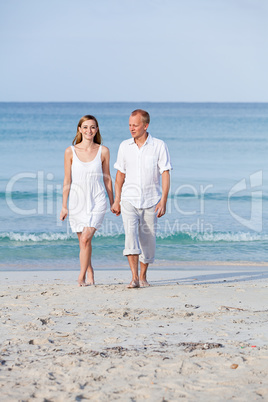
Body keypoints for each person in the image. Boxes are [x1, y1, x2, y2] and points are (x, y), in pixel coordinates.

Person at [111, 109, 172, 288]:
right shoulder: (124, 146)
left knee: (148, 240)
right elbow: (119, 175)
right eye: (130, 125)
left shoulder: (159, 145)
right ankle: (134, 278)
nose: (132, 128)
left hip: (151, 200)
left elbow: (165, 173)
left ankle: (143, 276)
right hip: (128, 199)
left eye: (135, 125)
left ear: (145, 126)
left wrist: (164, 200)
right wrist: (117, 199)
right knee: (130, 237)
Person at [60, 115, 114, 286]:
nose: (89, 130)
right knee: (84, 242)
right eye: (85, 127)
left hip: (97, 199)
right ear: (79, 129)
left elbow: (107, 179)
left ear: (97, 130)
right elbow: (67, 180)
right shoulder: (70, 151)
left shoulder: (103, 151)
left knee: (85, 239)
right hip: (76, 201)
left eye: (92, 127)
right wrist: (64, 206)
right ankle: (90, 272)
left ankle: (81, 276)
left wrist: (113, 201)